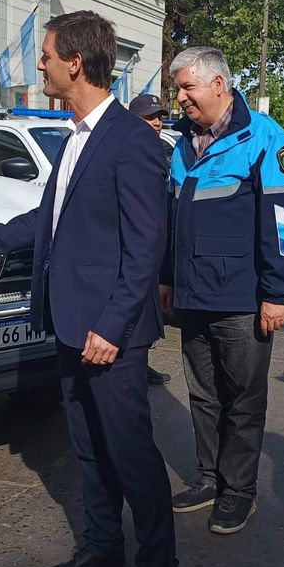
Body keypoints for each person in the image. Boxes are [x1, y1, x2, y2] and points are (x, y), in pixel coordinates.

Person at [0, 11, 181, 567]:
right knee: (88, 448)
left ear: (75, 62)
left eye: (46, 55)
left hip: (110, 334)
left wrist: (110, 326)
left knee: (130, 452)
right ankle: (103, 549)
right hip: (69, 323)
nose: (40, 66)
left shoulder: (132, 142)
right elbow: (41, 225)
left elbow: (145, 247)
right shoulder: (74, 136)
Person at [162, 46, 284, 535]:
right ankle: (208, 477)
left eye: (186, 87)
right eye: (178, 87)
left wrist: (278, 293)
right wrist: (166, 278)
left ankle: (238, 491)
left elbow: (283, 221)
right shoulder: (182, 143)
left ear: (218, 85)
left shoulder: (264, 138)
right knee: (202, 395)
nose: (179, 97)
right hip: (192, 295)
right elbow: (172, 220)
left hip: (242, 300)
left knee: (242, 398)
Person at [129, 92, 173, 387]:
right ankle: (137, 366)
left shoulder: (158, 148)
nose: (157, 122)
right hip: (137, 246)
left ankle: (141, 362)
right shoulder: (128, 148)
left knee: (148, 311)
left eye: (159, 117)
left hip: (155, 241)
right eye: (150, 117)